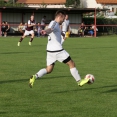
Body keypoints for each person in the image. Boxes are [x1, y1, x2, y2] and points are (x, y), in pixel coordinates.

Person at [29, 10, 89, 88]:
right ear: (59, 16)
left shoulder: (55, 24)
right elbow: (50, 29)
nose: (64, 20)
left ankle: (34, 77)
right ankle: (79, 81)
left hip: (50, 51)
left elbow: (55, 30)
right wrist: (45, 31)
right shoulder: (54, 23)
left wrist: (62, 34)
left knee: (49, 70)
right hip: (57, 50)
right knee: (72, 64)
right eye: (63, 18)